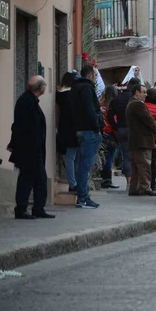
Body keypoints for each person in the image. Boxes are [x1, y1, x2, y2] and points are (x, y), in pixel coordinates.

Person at [8, 76, 55, 219]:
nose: (45, 88)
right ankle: (21, 209)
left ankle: (38, 208)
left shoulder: (30, 101)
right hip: (28, 149)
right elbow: (18, 126)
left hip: (34, 149)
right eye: (44, 85)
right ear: (41, 87)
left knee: (39, 180)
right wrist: (13, 144)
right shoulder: (26, 102)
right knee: (27, 179)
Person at [70, 65, 104, 209]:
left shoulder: (74, 88)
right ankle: (83, 198)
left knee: (81, 164)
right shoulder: (86, 88)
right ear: (90, 76)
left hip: (80, 129)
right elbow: (89, 109)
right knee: (86, 166)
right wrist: (97, 127)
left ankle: (82, 196)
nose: (96, 78)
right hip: (89, 130)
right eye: (95, 76)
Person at [125, 84, 156, 196]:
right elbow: (148, 120)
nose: (145, 94)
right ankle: (145, 187)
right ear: (137, 92)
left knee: (136, 166)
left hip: (136, 140)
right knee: (145, 164)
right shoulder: (138, 105)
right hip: (142, 140)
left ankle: (134, 188)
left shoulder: (131, 103)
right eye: (143, 92)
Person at [108, 77, 141, 190]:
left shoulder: (116, 99)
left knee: (126, 156)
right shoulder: (135, 100)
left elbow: (109, 115)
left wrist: (115, 127)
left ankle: (129, 182)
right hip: (134, 129)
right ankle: (136, 183)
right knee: (136, 155)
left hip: (121, 128)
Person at [56, 71, 79, 193]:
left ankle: (73, 182)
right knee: (71, 157)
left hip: (63, 128)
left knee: (68, 157)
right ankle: (73, 183)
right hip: (72, 129)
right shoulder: (72, 95)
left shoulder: (59, 94)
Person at [145, 88, 156, 192]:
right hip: (155, 138)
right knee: (153, 162)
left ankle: (144, 183)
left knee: (144, 162)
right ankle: (153, 184)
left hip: (144, 137)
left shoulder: (143, 106)